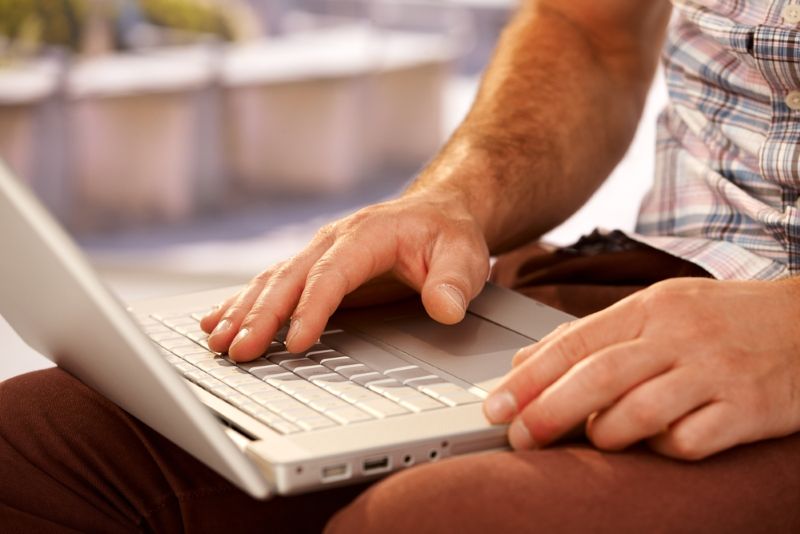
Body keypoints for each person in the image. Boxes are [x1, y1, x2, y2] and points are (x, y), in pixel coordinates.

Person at [2, 0, 799, 531]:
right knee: (36, 448)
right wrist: (456, 201)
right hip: (647, 277)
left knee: (436, 522)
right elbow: (589, 29)